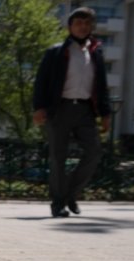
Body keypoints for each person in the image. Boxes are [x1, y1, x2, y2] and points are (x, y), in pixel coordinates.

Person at [33, 7, 111, 218]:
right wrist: (39, 108)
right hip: (59, 109)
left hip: (86, 110)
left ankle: (70, 194)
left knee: (94, 152)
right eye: (78, 23)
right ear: (70, 26)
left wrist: (106, 114)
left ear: (91, 27)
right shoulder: (56, 51)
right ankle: (58, 203)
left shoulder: (96, 52)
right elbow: (41, 82)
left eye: (87, 23)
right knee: (58, 157)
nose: (83, 27)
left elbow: (101, 85)